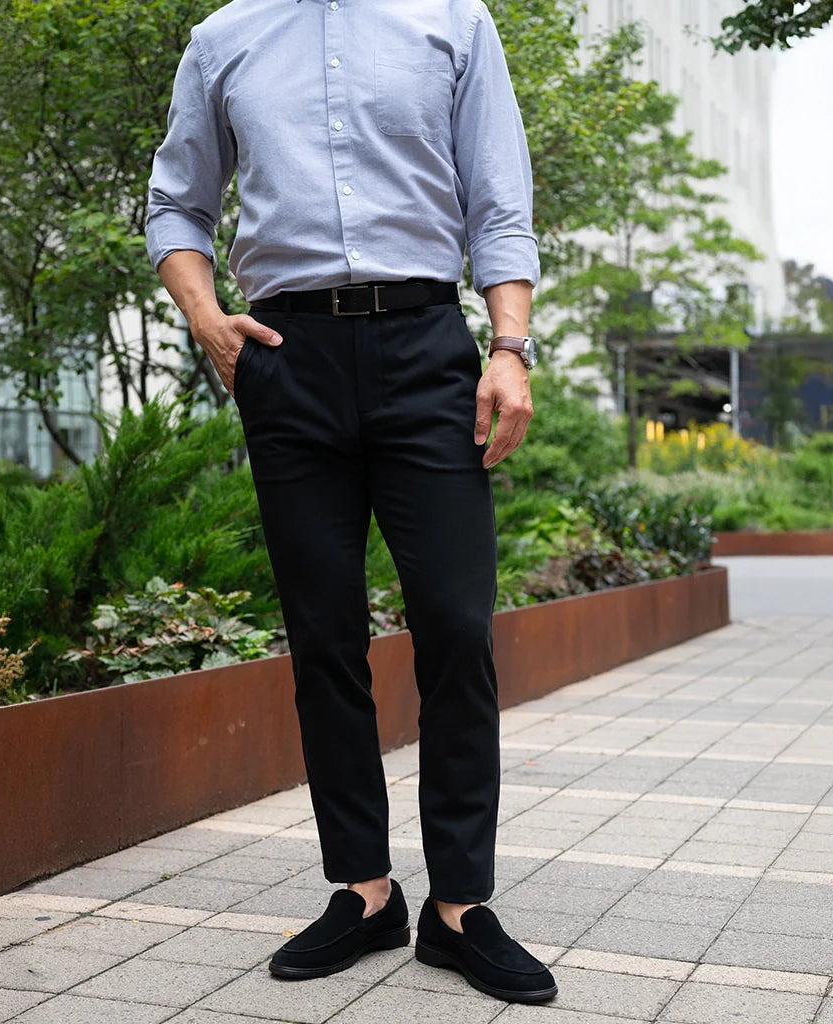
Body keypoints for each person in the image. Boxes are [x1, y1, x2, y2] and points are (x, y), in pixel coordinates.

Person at [146, 0, 555, 1004]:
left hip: (426, 348)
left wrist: (508, 347)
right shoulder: (223, 36)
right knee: (322, 633)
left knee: (457, 627)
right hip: (285, 357)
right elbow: (175, 204)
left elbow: (498, 198)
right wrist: (209, 323)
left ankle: (459, 906)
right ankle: (365, 891)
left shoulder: (452, 21)